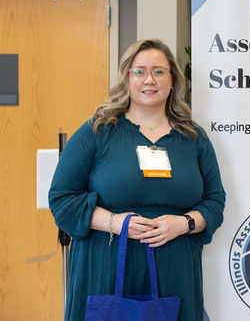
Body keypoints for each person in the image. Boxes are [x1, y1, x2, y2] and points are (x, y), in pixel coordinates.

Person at [49, 39, 225, 321]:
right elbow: (62, 199)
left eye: (159, 71)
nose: (149, 80)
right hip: (105, 269)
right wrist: (115, 222)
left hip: (175, 272)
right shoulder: (97, 132)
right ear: (127, 79)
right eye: (139, 71)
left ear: (172, 80)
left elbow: (215, 201)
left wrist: (184, 223)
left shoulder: (194, 138)